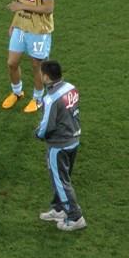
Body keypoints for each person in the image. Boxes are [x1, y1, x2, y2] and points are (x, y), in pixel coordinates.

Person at [2, 0, 55, 113]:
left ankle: (38, 99)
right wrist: (14, 22)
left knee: (36, 65)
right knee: (12, 63)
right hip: (21, 26)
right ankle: (17, 92)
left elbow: (49, 8)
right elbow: (20, 0)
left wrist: (22, 7)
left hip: (38, 31)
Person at [35, 60, 86, 231]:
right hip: (74, 138)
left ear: (46, 77)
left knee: (60, 182)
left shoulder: (51, 98)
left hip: (59, 146)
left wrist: (38, 134)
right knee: (64, 178)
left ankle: (75, 217)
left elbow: (46, 126)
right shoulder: (71, 87)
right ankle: (59, 209)